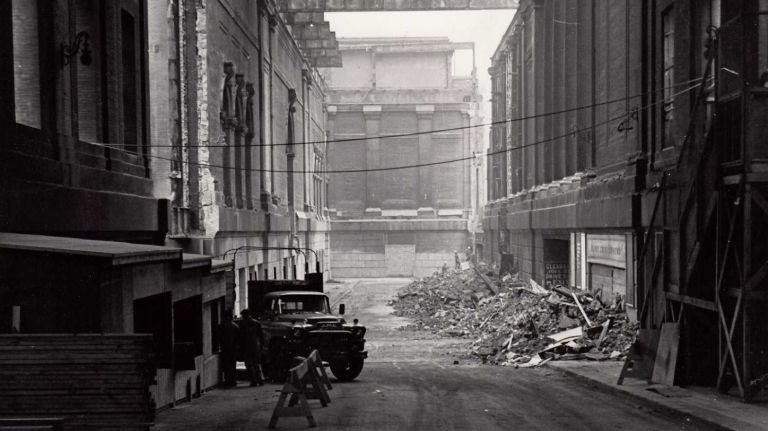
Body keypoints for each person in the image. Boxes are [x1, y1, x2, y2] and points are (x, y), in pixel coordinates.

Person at [239, 309, 265, 386]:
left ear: (244, 315)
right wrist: (261, 345)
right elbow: (261, 335)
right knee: (257, 364)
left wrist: (240, 347)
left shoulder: (242, 324)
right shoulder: (257, 323)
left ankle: (253, 380)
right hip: (256, 346)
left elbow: (241, 337)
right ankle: (260, 380)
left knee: (249, 365)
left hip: (247, 346)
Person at [218, 310, 239, 387]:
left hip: (225, 348)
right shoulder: (235, 326)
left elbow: (219, 337)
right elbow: (238, 339)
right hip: (233, 349)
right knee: (233, 365)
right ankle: (233, 380)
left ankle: (228, 380)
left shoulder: (222, 326)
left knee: (226, 365)